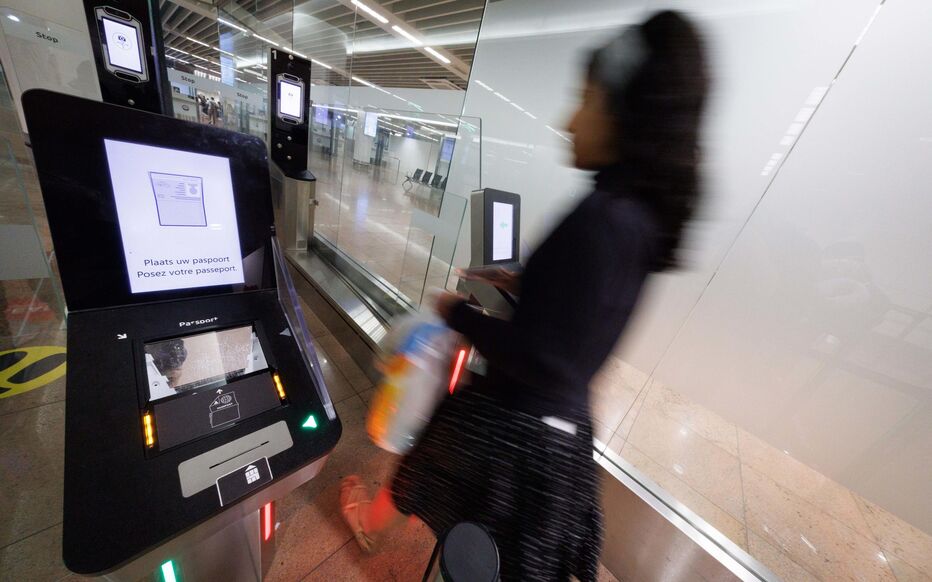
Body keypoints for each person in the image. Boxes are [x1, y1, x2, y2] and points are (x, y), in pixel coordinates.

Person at [339, 10, 708, 581]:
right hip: (562, 424)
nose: (570, 121)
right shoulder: (641, 219)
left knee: (430, 475)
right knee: (510, 545)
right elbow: (583, 310)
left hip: (515, 421)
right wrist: (524, 283)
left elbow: (539, 354)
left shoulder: (601, 217)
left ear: (623, 113)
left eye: (586, 101)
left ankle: (368, 523)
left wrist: (457, 313)